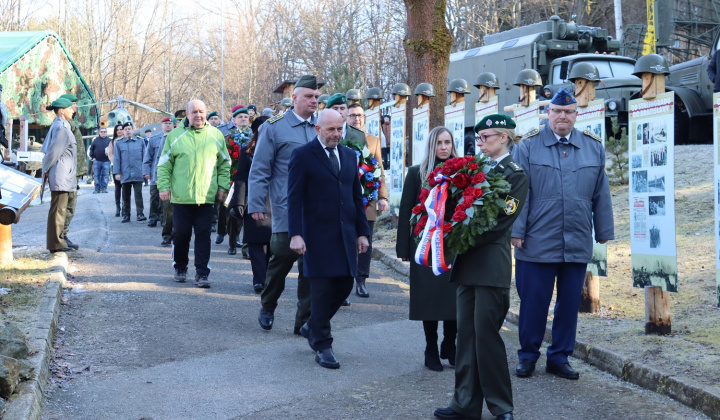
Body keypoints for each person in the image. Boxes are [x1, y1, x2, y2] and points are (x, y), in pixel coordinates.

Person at [511, 88, 614, 380]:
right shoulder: (528, 146)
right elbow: (519, 193)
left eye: (568, 112)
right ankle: (528, 356)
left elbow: (600, 193)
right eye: (557, 111)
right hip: (535, 242)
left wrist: (604, 230)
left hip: (576, 240)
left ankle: (559, 357)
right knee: (533, 304)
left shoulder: (592, 147)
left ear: (576, 115)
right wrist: (516, 231)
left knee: (569, 305)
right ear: (548, 113)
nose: (562, 117)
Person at [433, 114, 529, 420]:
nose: (480, 142)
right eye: (478, 137)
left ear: (503, 137)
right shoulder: (474, 168)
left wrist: (457, 234)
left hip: (489, 265)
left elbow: (500, 222)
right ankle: (464, 403)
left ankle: (502, 407)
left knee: (486, 337)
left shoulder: (515, 175)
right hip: (468, 264)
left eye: (485, 136)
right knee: (466, 338)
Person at [289, 109, 370, 369]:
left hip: (345, 235)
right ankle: (323, 344)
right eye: (330, 130)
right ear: (318, 130)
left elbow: (356, 196)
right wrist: (295, 234)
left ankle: (312, 325)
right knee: (322, 291)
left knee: (345, 285)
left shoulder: (349, 155)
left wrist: (361, 232)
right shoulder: (302, 156)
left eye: (339, 129)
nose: (336, 134)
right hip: (315, 236)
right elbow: (294, 198)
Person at [248, 74, 319, 334]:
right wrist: (256, 203)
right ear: (295, 98)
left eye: (316, 97)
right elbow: (260, 168)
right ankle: (268, 304)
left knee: (310, 267)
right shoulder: (275, 127)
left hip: (314, 211)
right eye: (309, 96)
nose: (314, 101)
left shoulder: (320, 127)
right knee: (280, 260)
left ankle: (304, 321)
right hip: (284, 207)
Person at [397, 126, 458, 372]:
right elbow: (405, 211)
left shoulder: (463, 171)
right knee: (429, 299)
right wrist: (403, 247)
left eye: (447, 142)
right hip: (425, 246)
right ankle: (430, 347)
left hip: (453, 244)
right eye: (439, 143)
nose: (444, 147)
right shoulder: (416, 173)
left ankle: (450, 344)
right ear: (431, 146)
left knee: (453, 298)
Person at [157, 99, 230, 288]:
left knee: (204, 235)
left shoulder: (216, 135)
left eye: (201, 111)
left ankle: (202, 273)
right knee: (181, 234)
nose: (198, 115)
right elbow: (164, 165)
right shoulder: (174, 136)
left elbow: (224, 165)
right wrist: (163, 187)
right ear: (187, 115)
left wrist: (223, 188)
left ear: (206, 113)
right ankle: (180, 267)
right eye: (194, 112)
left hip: (206, 197)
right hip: (182, 197)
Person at [346, 103, 388, 298]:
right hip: (344, 200)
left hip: (367, 199)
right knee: (346, 241)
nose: (357, 119)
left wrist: (383, 197)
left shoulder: (373, 141)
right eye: (353, 115)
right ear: (346, 117)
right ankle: (344, 282)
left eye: (360, 115)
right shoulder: (341, 139)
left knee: (366, 241)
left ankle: (361, 280)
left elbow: (379, 172)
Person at [229, 115, 271, 293]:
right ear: (256, 131)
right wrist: (238, 202)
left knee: (271, 243)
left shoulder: (279, 149)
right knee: (255, 242)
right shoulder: (247, 151)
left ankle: (270, 278)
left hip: (274, 201)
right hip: (253, 201)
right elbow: (241, 178)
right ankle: (259, 280)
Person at [41, 97, 77, 253]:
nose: (73, 110)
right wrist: (45, 169)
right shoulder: (61, 127)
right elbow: (53, 152)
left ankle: (58, 242)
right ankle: (56, 244)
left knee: (59, 209)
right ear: (62, 110)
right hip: (61, 174)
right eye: (70, 108)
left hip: (63, 174)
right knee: (59, 210)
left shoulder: (61, 125)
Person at [217, 107, 252, 255]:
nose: (243, 119)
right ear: (234, 120)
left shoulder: (254, 138)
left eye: (246, 116)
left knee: (246, 213)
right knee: (231, 211)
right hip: (232, 181)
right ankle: (232, 242)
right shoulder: (227, 138)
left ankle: (243, 242)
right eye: (240, 117)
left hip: (248, 181)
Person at [144, 117, 174, 228]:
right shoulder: (154, 139)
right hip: (155, 172)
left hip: (169, 173)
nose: (168, 125)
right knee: (154, 196)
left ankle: (164, 218)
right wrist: (147, 171)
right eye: (166, 123)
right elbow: (148, 157)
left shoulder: (176, 138)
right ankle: (153, 217)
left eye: (170, 123)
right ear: (162, 125)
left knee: (166, 198)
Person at [114, 122, 146, 223]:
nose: (128, 131)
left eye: (129, 129)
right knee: (125, 195)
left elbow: (145, 158)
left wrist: (145, 171)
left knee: (138, 194)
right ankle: (126, 214)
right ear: (123, 131)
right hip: (125, 173)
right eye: (126, 129)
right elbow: (117, 159)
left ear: (133, 130)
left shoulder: (140, 142)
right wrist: (117, 173)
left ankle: (140, 213)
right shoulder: (118, 143)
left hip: (137, 172)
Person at [89, 126, 111, 194]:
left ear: (106, 132)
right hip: (97, 161)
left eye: (104, 132)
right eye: (102, 132)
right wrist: (92, 157)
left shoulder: (110, 141)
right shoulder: (95, 140)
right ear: (99, 132)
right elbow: (91, 149)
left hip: (106, 161)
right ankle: (97, 189)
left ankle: (104, 188)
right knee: (96, 175)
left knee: (105, 176)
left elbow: (113, 150)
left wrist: (109, 154)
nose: (103, 133)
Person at [107, 124, 124, 217]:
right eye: (117, 130)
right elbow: (110, 154)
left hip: (126, 167)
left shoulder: (126, 140)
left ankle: (125, 207)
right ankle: (118, 208)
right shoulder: (113, 142)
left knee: (125, 188)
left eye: (121, 129)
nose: (119, 131)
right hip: (116, 167)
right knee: (118, 188)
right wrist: (116, 163)